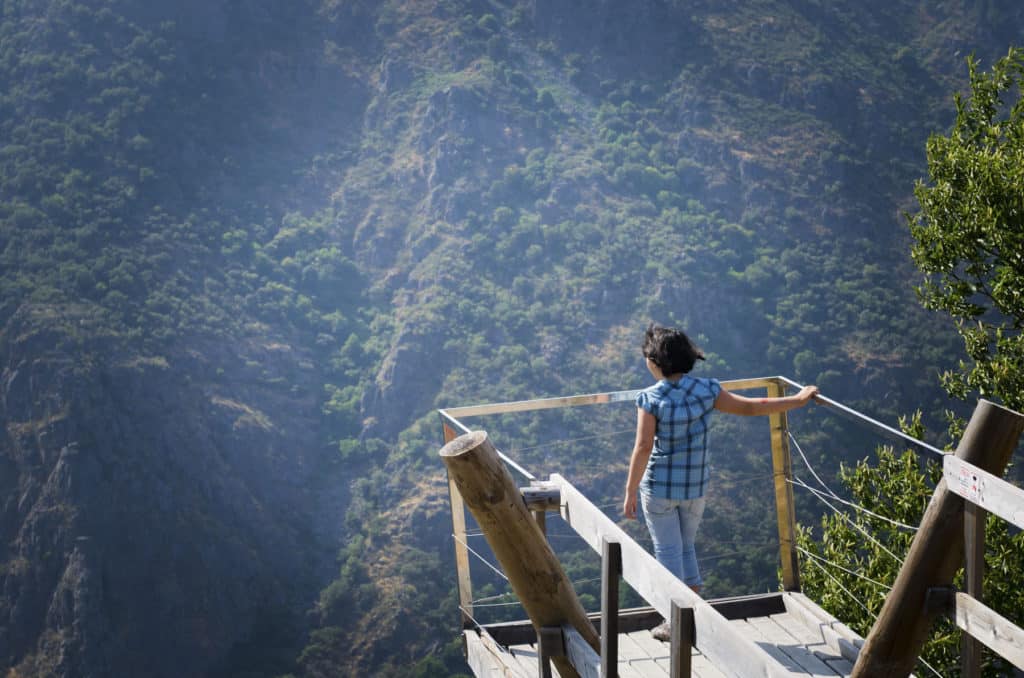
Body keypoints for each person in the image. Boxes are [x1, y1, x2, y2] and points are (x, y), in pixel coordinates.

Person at [622, 323, 818, 640]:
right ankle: (693, 600)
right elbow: (753, 407)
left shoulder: (650, 399)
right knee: (686, 546)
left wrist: (630, 490)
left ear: (655, 362)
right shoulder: (707, 390)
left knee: (668, 551)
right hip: (696, 486)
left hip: (659, 488)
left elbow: (643, 447)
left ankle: (676, 622)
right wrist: (796, 401)